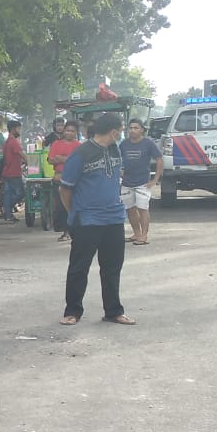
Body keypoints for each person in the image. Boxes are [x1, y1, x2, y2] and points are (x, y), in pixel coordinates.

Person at [59, 111, 133, 326]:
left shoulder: (115, 150)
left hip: (114, 219)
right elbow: (65, 189)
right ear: (112, 131)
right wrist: (75, 212)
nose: (121, 135)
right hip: (88, 220)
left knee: (112, 267)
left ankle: (113, 311)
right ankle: (72, 311)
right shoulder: (81, 154)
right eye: (119, 132)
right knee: (79, 268)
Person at [119, 117, 163, 246]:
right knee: (130, 209)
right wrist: (120, 170)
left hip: (143, 183)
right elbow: (117, 158)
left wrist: (155, 179)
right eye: (131, 128)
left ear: (142, 130)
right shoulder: (124, 144)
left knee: (143, 209)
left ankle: (144, 235)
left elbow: (159, 160)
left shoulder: (148, 143)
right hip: (126, 183)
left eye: (136, 128)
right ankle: (136, 233)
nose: (133, 130)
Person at [47, 120, 81, 241]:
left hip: (74, 180)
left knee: (73, 206)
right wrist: (68, 160)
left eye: (72, 131)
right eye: (67, 130)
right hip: (59, 178)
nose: (69, 133)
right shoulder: (56, 144)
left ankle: (73, 230)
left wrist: (62, 159)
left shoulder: (79, 146)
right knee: (61, 207)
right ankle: (65, 231)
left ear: (76, 133)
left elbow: (79, 162)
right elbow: (51, 160)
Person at [0, 120, 25, 223]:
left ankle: (9, 215)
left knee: (8, 194)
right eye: (19, 128)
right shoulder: (13, 141)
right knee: (20, 193)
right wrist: (33, 164)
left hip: (6, 172)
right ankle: (7, 208)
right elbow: (22, 155)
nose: (20, 131)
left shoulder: (7, 141)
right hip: (13, 173)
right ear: (14, 129)